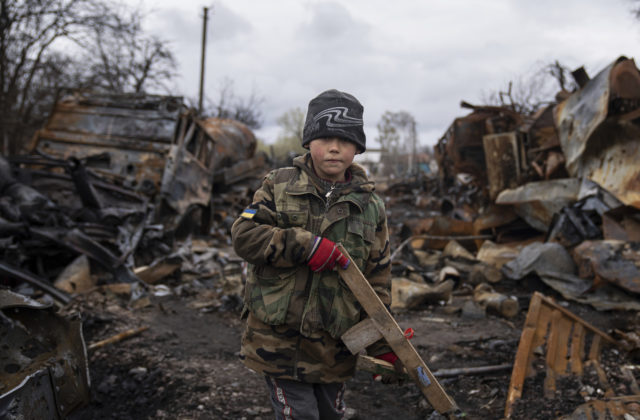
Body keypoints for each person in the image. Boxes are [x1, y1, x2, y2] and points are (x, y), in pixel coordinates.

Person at [231, 89, 397, 420]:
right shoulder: (278, 185)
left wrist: (383, 347)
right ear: (309, 142)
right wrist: (304, 246)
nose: (334, 147)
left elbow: (377, 279)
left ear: (357, 148)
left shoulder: (370, 207)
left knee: (330, 414)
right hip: (278, 342)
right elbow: (243, 235)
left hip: (333, 347)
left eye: (345, 140)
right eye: (325, 138)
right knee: (300, 415)